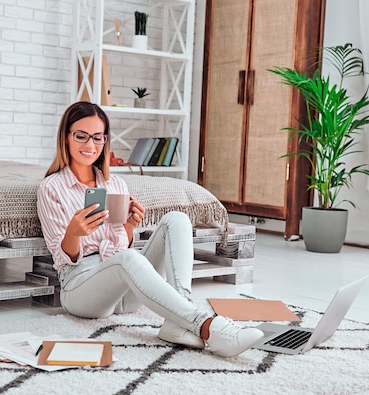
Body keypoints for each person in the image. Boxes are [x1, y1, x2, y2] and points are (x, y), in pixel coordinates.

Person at [36, 101, 263, 357]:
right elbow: (62, 258)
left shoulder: (116, 184)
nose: (90, 146)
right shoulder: (52, 187)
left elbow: (122, 247)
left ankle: (178, 321)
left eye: (98, 138)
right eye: (81, 136)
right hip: (81, 288)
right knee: (128, 259)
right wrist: (74, 233)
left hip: (124, 288)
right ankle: (208, 326)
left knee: (176, 219)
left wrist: (130, 227)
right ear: (66, 137)